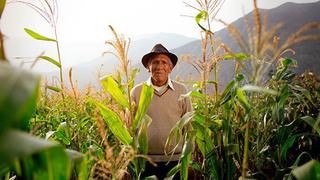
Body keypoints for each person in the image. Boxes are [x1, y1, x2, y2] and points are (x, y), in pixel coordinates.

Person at [131, 44, 192, 179]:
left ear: (170, 68)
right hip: (145, 161)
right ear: (148, 67)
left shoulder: (181, 91)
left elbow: (189, 127)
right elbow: (130, 127)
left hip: (176, 160)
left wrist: (188, 158)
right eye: (155, 62)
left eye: (164, 62)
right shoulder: (137, 92)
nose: (159, 66)